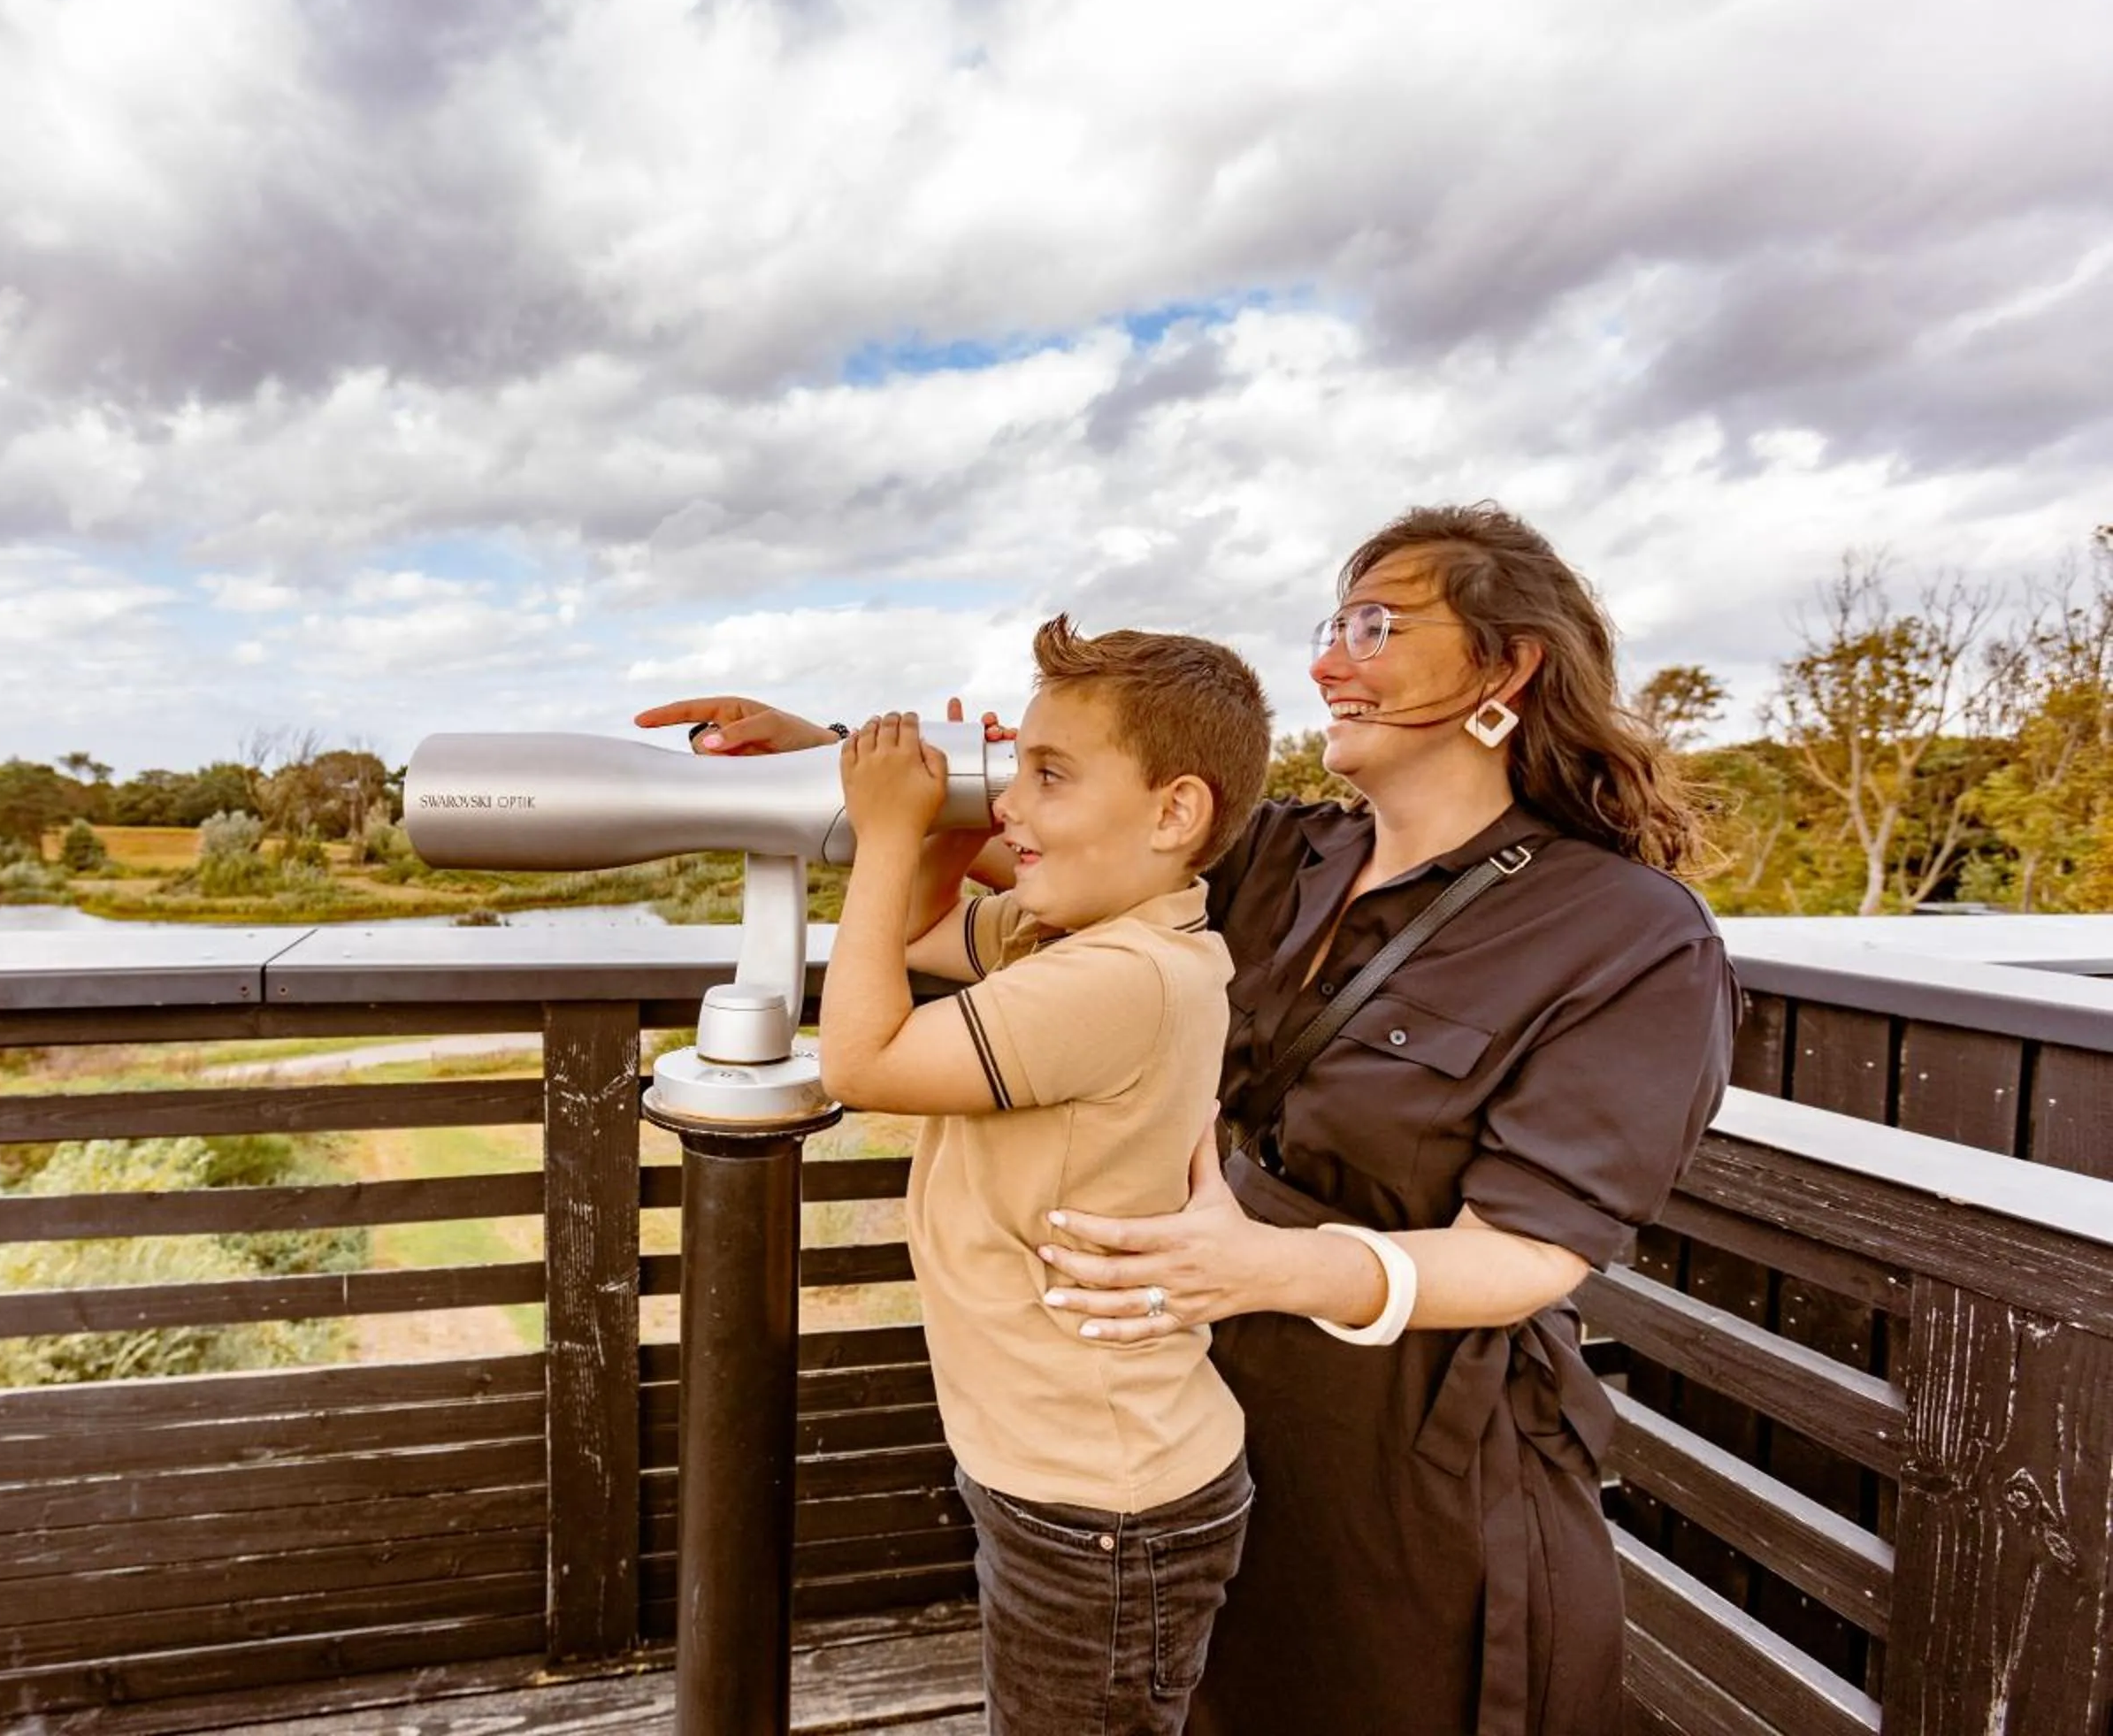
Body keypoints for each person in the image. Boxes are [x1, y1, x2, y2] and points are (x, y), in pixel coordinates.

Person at [635, 502, 1738, 1735]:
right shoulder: (1281, 856)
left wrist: (1264, 1264)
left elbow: (1534, 1249)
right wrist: (824, 759)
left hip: (1407, 1490)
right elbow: (1061, 825)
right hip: (1189, 1435)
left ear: (1506, 664)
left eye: (1377, 626)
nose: (1329, 661)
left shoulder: (1626, 935)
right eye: (1334, 624)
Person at [816, 615, 1273, 1735]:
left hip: (1102, 1503)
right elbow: (923, 936)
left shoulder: (1125, 976)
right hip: (1068, 1474)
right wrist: (940, 825)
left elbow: (862, 1059)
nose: (1009, 805)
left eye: (1048, 776)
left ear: (1175, 811)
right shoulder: (1075, 932)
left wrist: (885, 831)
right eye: (1011, 768)